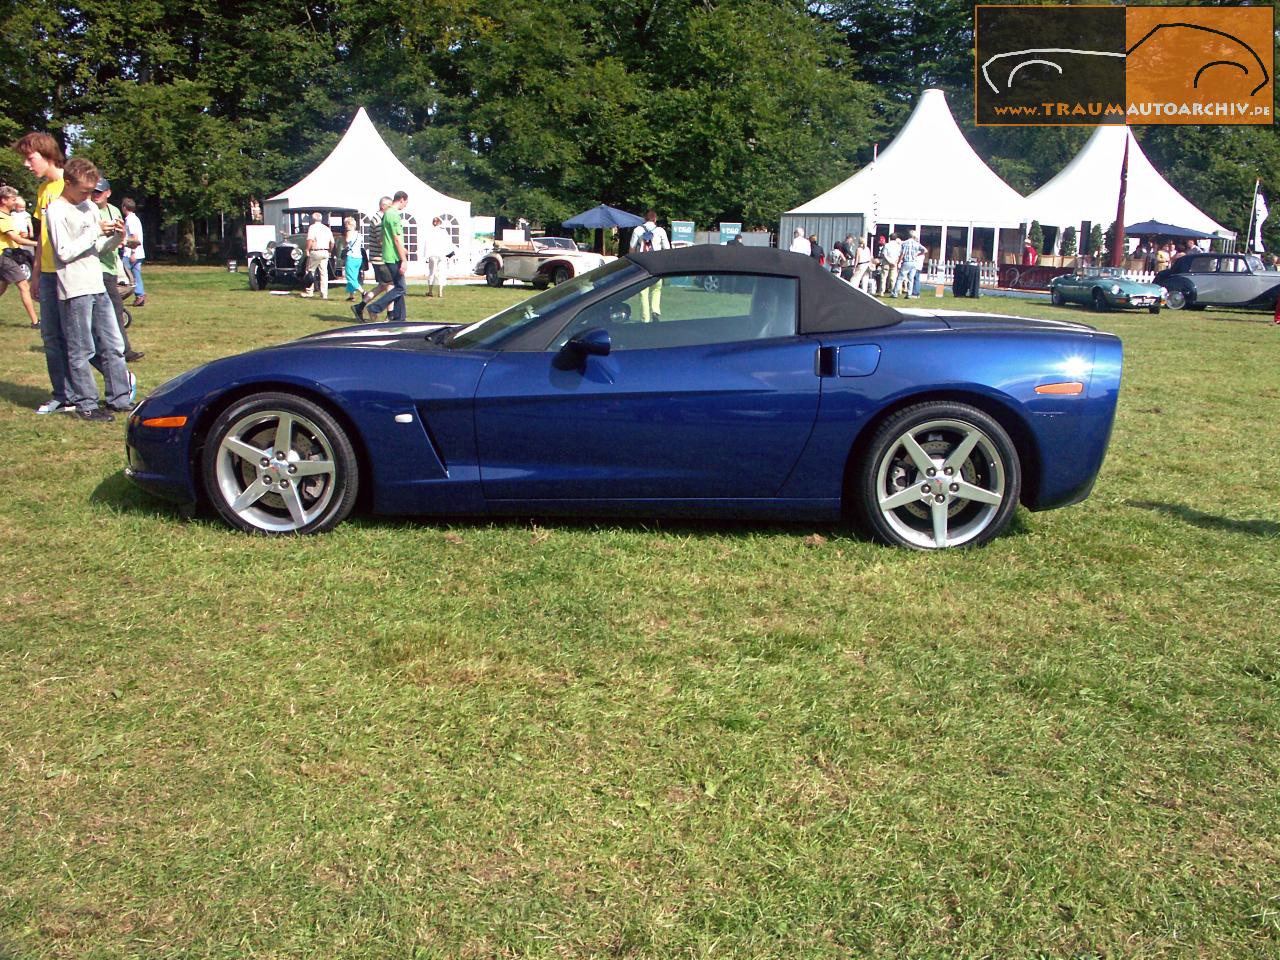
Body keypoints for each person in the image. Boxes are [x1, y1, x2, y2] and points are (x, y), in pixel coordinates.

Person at [46, 157, 134, 421]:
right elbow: (64, 252)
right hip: (74, 288)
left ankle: (119, 398)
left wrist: (117, 238)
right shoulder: (56, 211)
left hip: (97, 285)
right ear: (68, 183)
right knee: (82, 349)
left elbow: (96, 249)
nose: (89, 196)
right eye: (84, 191)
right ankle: (87, 403)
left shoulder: (89, 208)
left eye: (92, 191)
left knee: (114, 344)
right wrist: (94, 231)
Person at [12, 131, 72, 413]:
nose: (26, 164)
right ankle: (62, 395)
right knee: (51, 337)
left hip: (68, 273)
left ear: (47, 155)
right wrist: (35, 276)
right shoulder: (43, 191)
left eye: (30, 158)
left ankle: (113, 384)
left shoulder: (68, 185)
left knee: (79, 338)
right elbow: (41, 237)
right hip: (46, 273)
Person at [91, 178, 143, 361]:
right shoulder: (87, 210)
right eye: (93, 191)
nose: (95, 195)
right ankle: (119, 350)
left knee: (115, 308)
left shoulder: (113, 211)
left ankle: (123, 350)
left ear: (108, 193)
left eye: (99, 192)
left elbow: (119, 238)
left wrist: (128, 242)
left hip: (110, 267)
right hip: (93, 267)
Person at [357, 190, 407, 322]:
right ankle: (375, 307)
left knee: (395, 287)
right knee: (400, 288)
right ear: (401, 199)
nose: (405, 206)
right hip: (392, 256)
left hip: (388, 255)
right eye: (405, 203)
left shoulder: (386, 216)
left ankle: (399, 318)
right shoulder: (392, 215)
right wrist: (404, 259)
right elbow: (395, 238)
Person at [0, 185, 40, 328]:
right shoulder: (1, 217)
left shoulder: (8, 217)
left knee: (2, 287)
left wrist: (23, 235)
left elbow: (17, 236)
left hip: (11, 255)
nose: (15, 201)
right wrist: (39, 244)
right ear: (4, 200)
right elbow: (16, 239)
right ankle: (35, 322)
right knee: (24, 284)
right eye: (12, 199)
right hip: (4, 257)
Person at [628, 209, 670, 321]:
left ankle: (645, 318)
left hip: (642, 264)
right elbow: (667, 249)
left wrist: (632, 264)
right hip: (657, 264)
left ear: (644, 219)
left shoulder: (637, 230)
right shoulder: (661, 231)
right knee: (657, 289)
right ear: (655, 219)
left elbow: (632, 248)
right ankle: (655, 311)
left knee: (643, 292)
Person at [300, 211, 334, 299]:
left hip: (315, 251)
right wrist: (329, 250)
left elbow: (310, 240)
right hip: (325, 251)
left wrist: (307, 249)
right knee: (324, 273)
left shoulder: (312, 227)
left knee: (310, 271)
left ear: (313, 219)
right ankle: (324, 294)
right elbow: (332, 242)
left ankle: (309, 291)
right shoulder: (327, 228)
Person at [421, 216, 457, 298]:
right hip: (442, 254)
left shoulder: (430, 231)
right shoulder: (444, 232)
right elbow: (448, 243)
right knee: (442, 273)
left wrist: (426, 256)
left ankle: (430, 291)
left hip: (432, 254)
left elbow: (427, 244)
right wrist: (450, 253)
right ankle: (440, 292)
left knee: (432, 272)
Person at [120, 197, 145, 306]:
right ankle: (140, 295)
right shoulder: (135, 218)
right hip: (139, 252)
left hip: (131, 253)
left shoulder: (130, 220)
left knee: (125, 275)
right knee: (136, 274)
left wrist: (133, 253)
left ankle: (121, 295)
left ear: (124, 207)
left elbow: (135, 237)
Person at [342, 216, 364, 301]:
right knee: (354, 276)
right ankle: (351, 295)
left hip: (351, 256)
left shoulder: (349, 232)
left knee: (350, 277)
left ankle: (363, 292)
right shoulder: (358, 233)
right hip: (359, 257)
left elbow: (347, 241)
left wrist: (344, 243)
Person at [897, 230, 924, 299]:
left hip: (907, 261)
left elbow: (902, 253)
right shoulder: (916, 243)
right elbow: (925, 250)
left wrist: (899, 262)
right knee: (911, 279)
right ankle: (909, 294)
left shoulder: (905, 243)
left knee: (900, 278)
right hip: (914, 262)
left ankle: (895, 293)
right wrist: (917, 254)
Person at [880, 233, 903, 298]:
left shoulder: (887, 245)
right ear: (896, 238)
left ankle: (882, 291)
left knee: (883, 277)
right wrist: (895, 261)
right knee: (893, 278)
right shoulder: (898, 246)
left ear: (890, 238)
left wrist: (889, 261)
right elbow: (899, 255)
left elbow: (884, 254)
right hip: (894, 263)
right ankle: (893, 291)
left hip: (886, 263)